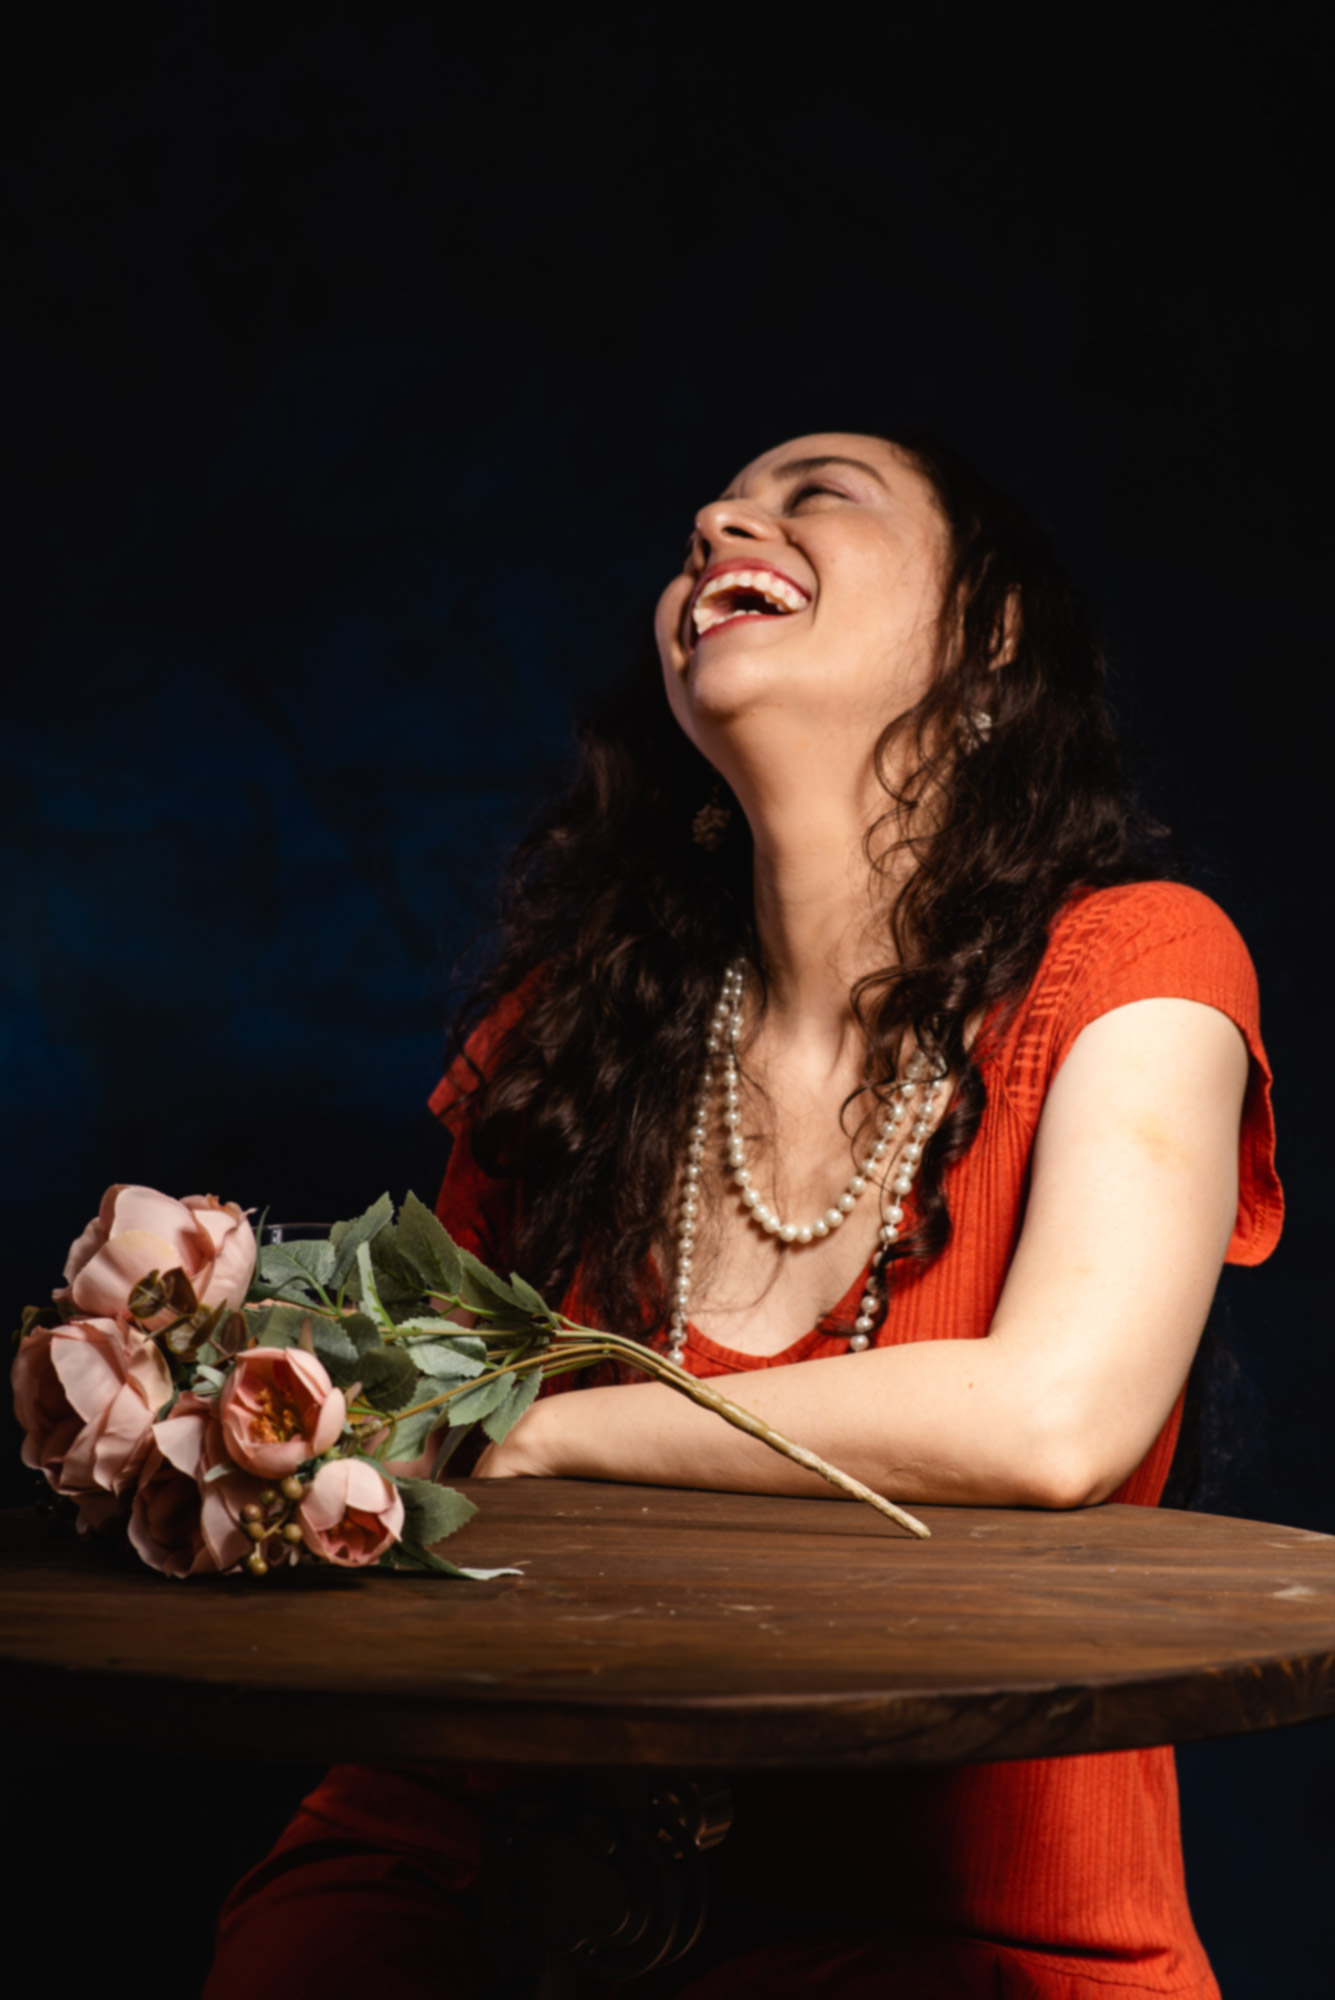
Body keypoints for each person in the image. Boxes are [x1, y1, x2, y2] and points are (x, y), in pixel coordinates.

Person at [206, 430, 1282, 1998]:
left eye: (818, 492)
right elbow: (408, 1453)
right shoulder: (566, 1033)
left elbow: (1057, 1422)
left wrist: (559, 1434)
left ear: (991, 640)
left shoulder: (1136, 964)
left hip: (968, 1924)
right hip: (496, 1841)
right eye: (712, 515)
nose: (718, 521)